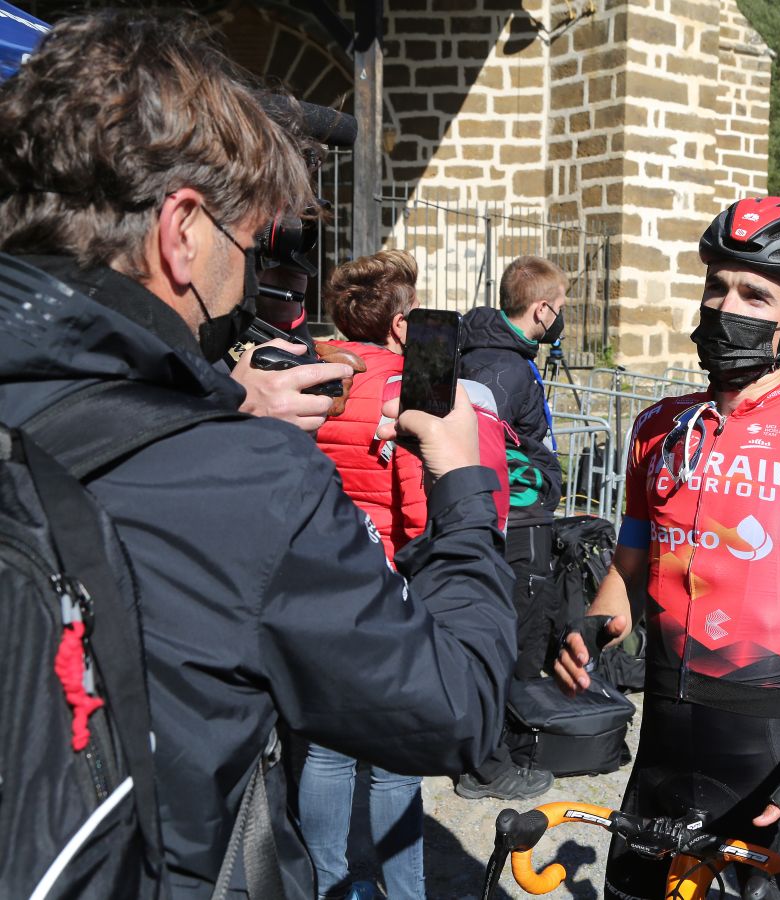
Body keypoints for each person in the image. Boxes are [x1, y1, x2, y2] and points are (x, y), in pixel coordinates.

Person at [0, 14, 517, 897]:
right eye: (250, 244)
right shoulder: (253, 484)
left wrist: (218, 400)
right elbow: (455, 706)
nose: (253, 279)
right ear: (182, 232)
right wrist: (465, 489)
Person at [555, 196, 780, 899]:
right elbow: (630, 569)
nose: (725, 304)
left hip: (772, 753)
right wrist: (594, 627)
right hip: (663, 743)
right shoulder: (659, 426)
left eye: (753, 292)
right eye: (716, 284)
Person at [301, 250, 432, 900]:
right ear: (400, 318)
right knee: (394, 761)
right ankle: (403, 894)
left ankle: (330, 885)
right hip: (389, 586)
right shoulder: (409, 387)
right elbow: (418, 507)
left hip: (321, 577)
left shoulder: (308, 373)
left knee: (327, 748)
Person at [456, 255, 568, 801]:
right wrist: (538, 478)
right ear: (542, 309)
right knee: (509, 641)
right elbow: (483, 444)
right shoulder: (502, 368)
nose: (561, 319)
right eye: (561, 309)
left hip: (518, 513)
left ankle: (493, 751)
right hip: (514, 519)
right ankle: (489, 764)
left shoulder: (503, 356)